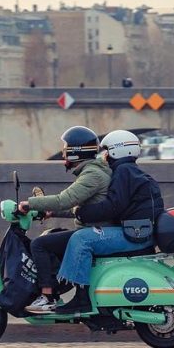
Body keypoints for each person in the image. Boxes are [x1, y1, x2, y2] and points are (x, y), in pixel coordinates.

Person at [53, 130, 165, 315]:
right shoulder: (131, 171)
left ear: (117, 151)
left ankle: (82, 298)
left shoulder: (123, 171)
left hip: (135, 234)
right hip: (139, 231)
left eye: (106, 151)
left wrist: (82, 213)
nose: (103, 155)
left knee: (82, 239)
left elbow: (112, 207)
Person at [18, 126, 111, 314]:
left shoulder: (92, 175)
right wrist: (51, 213)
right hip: (93, 228)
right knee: (52, 235)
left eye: (67, 147)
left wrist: (29, 204)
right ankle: (55, 289)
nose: (63, 152)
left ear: (76, 151)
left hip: (93, 232)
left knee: (40, 245)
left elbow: (64, 199)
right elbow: (80, 208)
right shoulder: (93, 171)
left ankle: (47, 297)